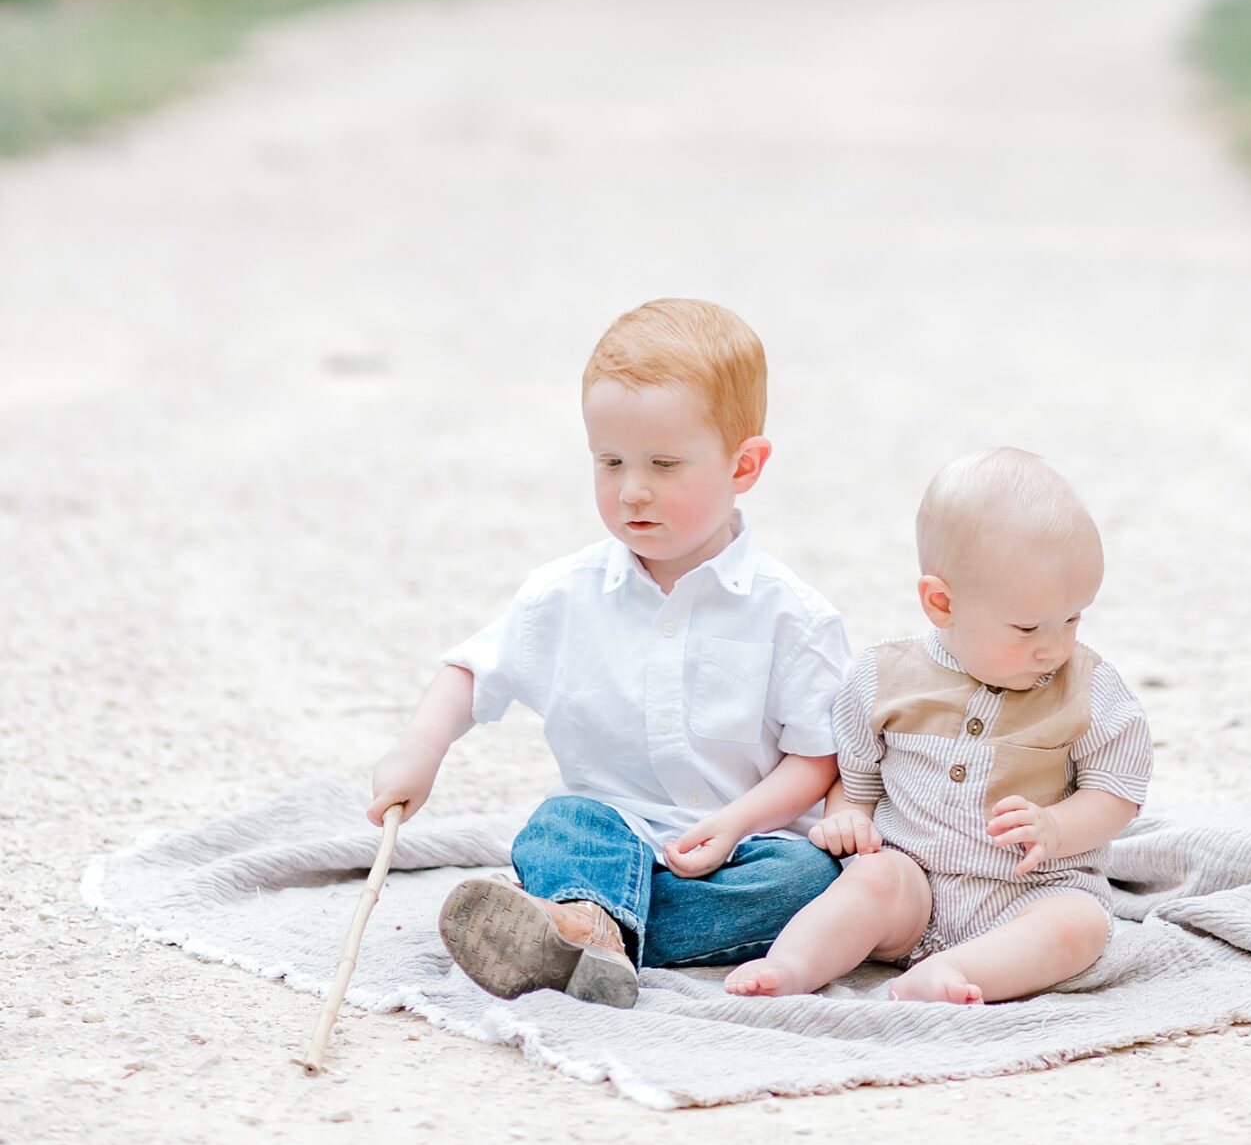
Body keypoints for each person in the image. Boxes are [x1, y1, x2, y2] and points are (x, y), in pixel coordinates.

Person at [368, 297, 848, 1009]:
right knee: (557, 826)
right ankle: (587, 923)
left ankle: (586, 929)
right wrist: (420, 749)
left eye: (663, 463)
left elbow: (819, 758)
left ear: (743, 465)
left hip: (743, 845)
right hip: (611, 828)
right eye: (610, 461)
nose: (631, 490)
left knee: (808, 881)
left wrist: (737, 822)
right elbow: (471, 671)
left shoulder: (792, 617)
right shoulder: (564, 595)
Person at [725, 447, 1152, 1005]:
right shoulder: (885, 678)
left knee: (1082, 927)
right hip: (915, 881)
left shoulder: (1089, 689)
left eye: (1072, 618)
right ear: (940, 603)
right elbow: (857, 777)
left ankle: (953, 972)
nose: (1054, 646)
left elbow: (1116, 791)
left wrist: (1057, 827)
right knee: (869, 881)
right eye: (1026, 627)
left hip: (1035, 891)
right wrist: (847, 819)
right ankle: (791, 967)